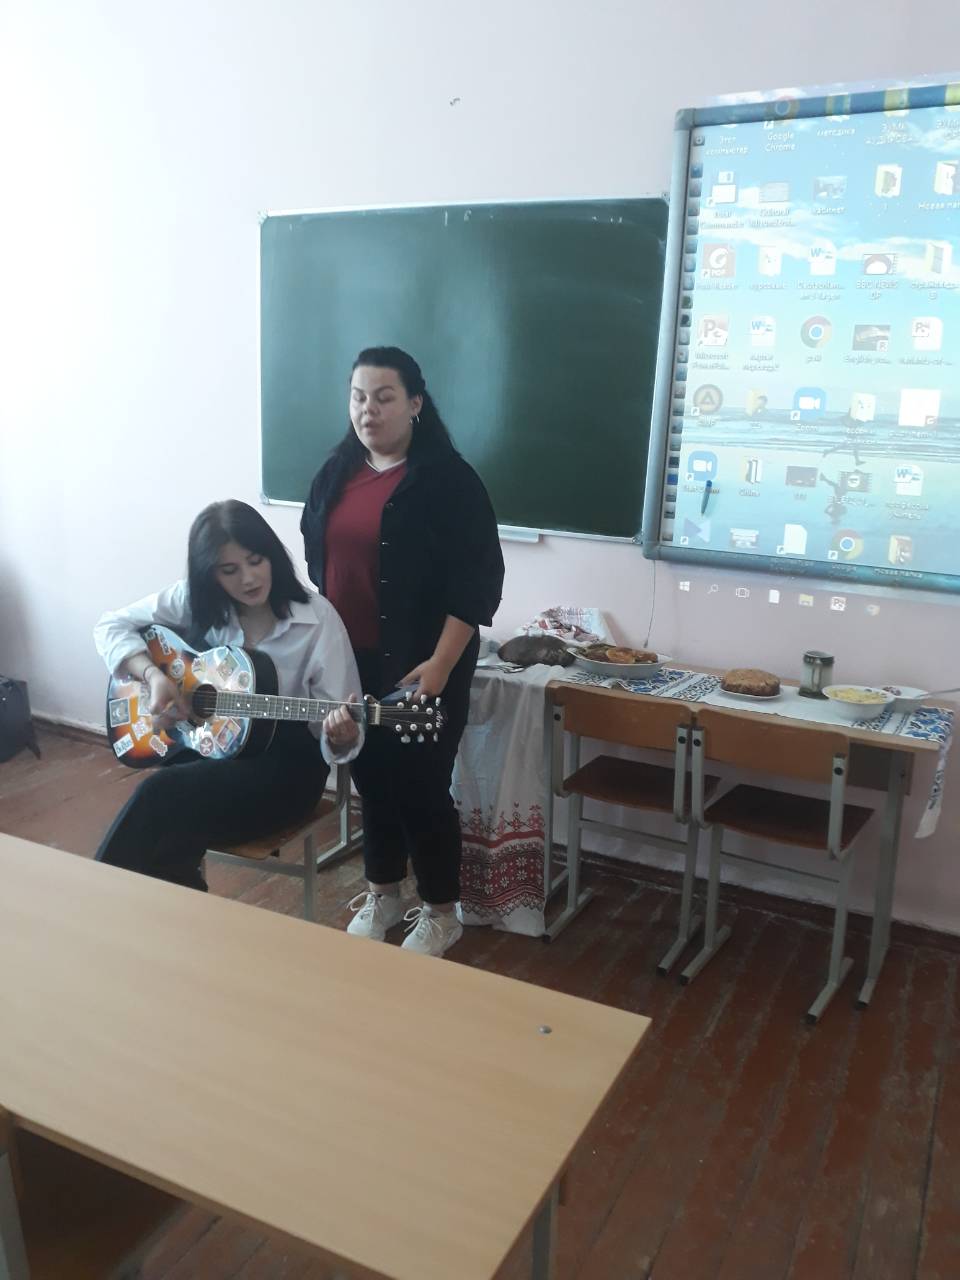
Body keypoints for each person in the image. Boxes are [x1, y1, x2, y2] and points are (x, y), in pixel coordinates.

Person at [301, 346, 504, 957]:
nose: (368, 410)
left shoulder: (450, 481)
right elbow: (319, 567)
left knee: (421, 786)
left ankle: (442, 911)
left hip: (425, 663)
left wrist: (441, 664)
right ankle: (383, 892)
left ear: (415, 403)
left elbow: (476, 583)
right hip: (351, 660)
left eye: (384, 397)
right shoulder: (335, 473)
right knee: (371, 781)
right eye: (358, 397)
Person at [93, 500, 362, 890]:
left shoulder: (317, 619)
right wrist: (153, 676)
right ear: (210, 574)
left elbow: (338, 724)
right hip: (211, 750)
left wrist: (342, 735)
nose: (248, 579)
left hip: (286, 771)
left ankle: (94, 898)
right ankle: (169, 898)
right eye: (229, 570)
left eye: (256, 561)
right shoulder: (195, 601)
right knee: (168, 827)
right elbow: (110, 626)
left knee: (160, 797)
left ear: (272, 556)